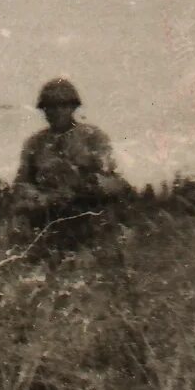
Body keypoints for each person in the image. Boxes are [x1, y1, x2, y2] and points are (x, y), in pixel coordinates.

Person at [13, 78, 131, 268]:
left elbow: (113, 180)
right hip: (50, 221)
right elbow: (22, 184)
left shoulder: (93, 138)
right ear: (44, 110)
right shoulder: (35, 144)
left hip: (90, 220)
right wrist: (41, 198)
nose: (57, 111)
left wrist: (86, 186)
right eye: (50, 107)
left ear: (73, 107)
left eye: (63, 105)